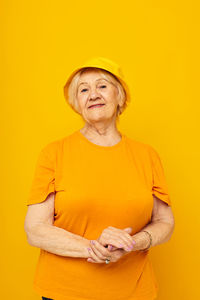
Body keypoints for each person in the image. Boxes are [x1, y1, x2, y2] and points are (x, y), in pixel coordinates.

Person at [24, 56, 175, 300]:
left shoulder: (147, 156)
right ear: (77, 103)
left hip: (134, 291)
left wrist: (131, 244)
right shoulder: (53, 153)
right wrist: (96, 249)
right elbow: (35, 229)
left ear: (120, 97)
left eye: (102, 86)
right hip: (64, 292)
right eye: (83, 90)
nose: (93, 94)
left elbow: (165, 222)